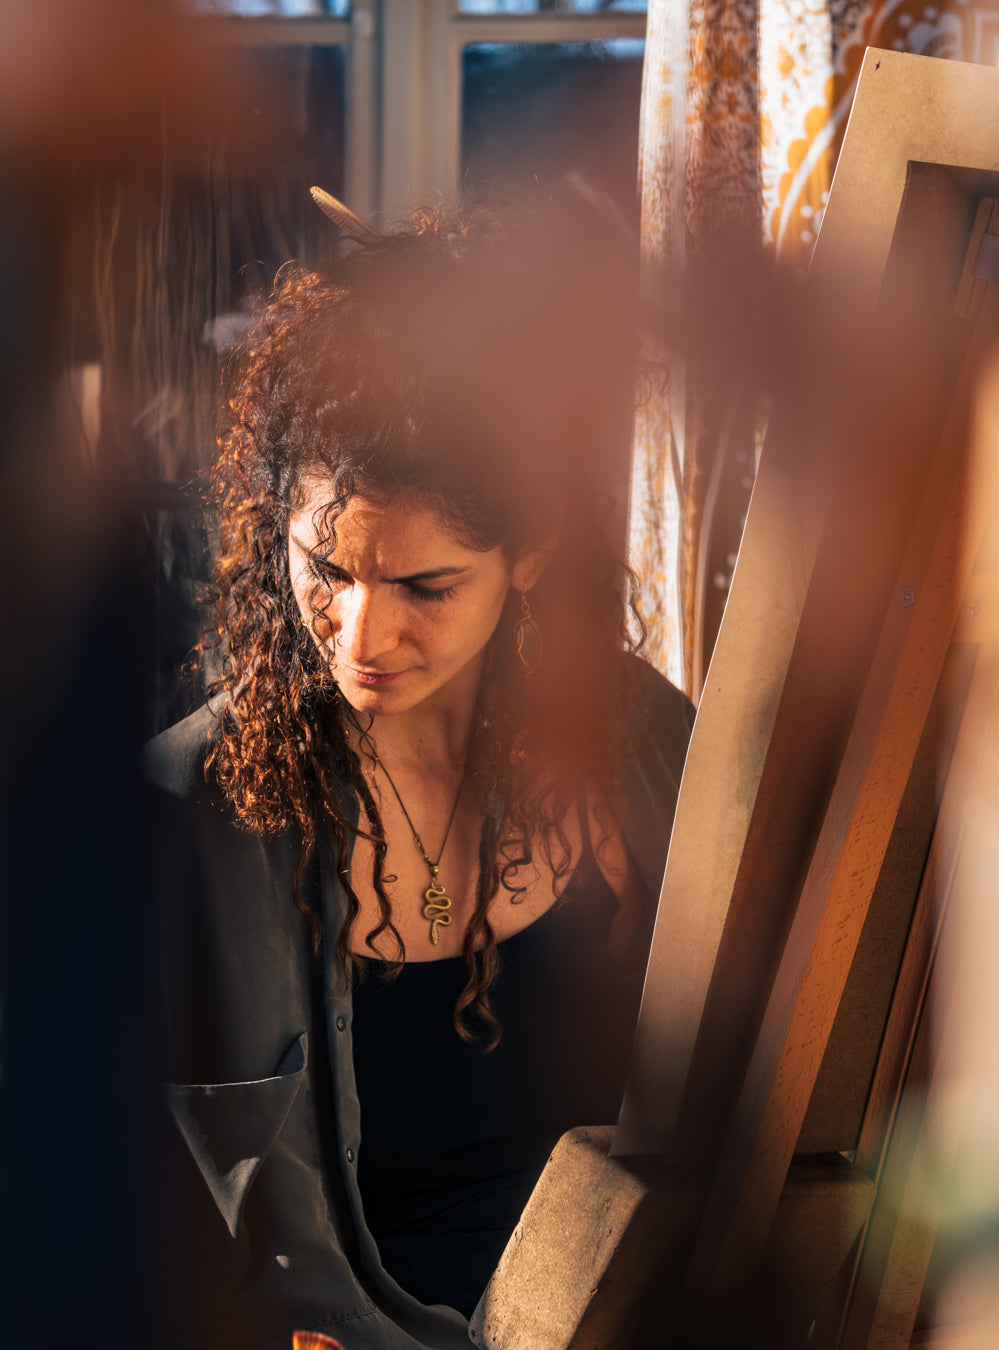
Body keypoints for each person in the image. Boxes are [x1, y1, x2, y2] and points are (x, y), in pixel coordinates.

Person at [145, 198, 694, 1350]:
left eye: (424, 588)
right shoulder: (197, 808)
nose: (359, 636)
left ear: (531, 554)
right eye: (326, 568)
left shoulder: (638, 743)